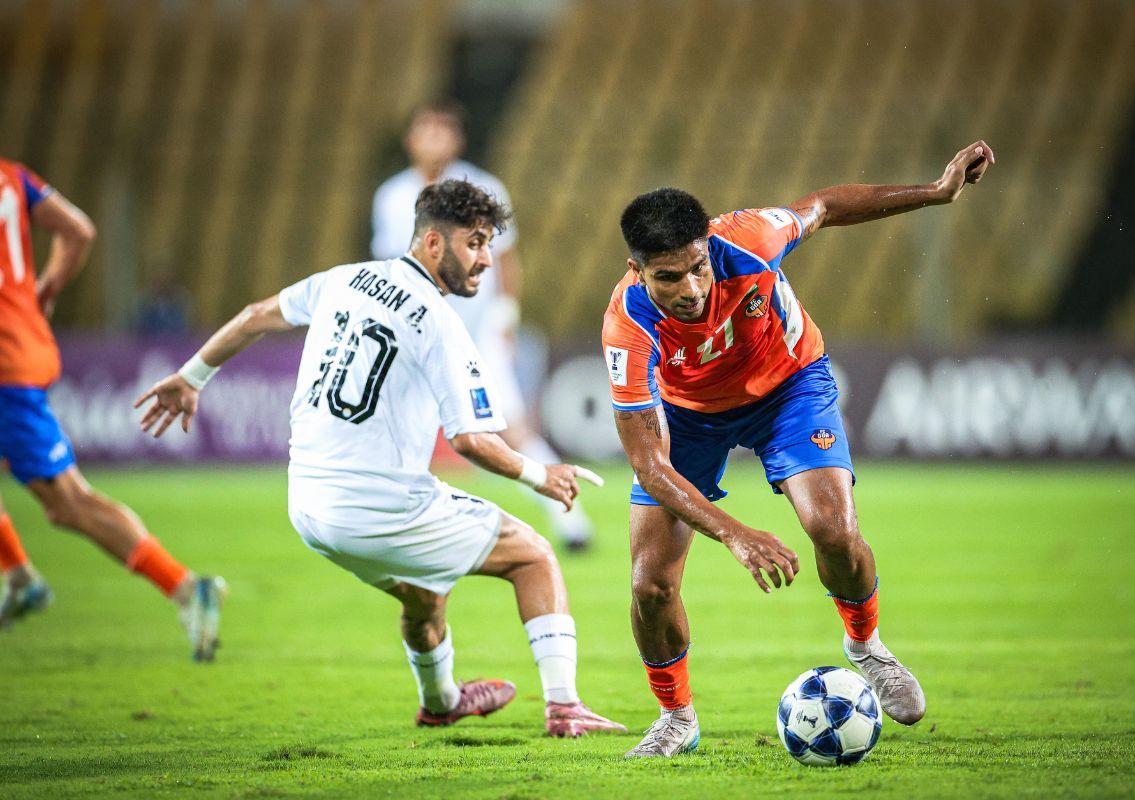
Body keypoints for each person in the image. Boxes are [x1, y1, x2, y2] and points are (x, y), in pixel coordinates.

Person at [136, 180, 625, 736]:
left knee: (423, 596)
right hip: (381, 505)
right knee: (534, 557)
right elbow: (469, 440)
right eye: (476, 243)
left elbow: (254, 315)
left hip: (310, 510)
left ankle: (441, 701)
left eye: (489, 244)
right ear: (434, 244)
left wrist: (192, 376)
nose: (487, 259)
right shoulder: (441, 324)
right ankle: (565, 708)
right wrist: (541, 474)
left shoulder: (343, 279)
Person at [604, 142, 996, 757]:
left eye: (696, 266)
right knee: (650, 584)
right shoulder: (627, 327)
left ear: (707, 244)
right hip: (688, 417)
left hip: (787, 385)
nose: (690, 287)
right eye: (667, 277)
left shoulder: (751, 238)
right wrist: (735, 533)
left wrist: (934, 190)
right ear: (637, 270)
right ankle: (676, 715)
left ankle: (865, 644)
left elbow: (824, 206)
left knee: (834, 531)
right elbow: (650, 465)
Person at [0, 157, 225, 659]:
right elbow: (77, 230)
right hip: (23, 346)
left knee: (68, 502)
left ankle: (187, 587)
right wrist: (46, 290)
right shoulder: (13, 176)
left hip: (4, 364)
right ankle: (17, 574)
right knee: (65, 502)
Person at [372, 98, 594, 551]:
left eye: (443, 129)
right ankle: (397, 527)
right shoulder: (392, 196)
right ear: (410, 139)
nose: (434, 138)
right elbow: (387, 268)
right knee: (396, 424)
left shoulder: (483, 187)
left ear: (458, 138)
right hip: (414, 332)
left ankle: (570, 518)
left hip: (475, 334)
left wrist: (505, 317)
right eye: (425, 129)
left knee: (509, 426)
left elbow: (507, 258)